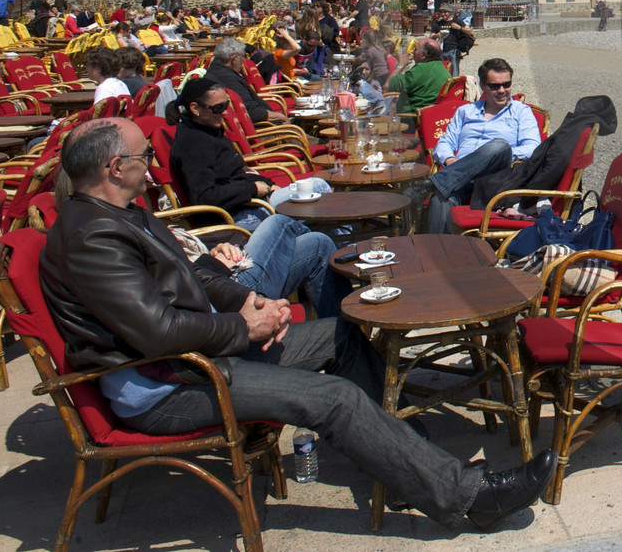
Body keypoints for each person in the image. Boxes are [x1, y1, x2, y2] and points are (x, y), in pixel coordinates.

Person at [42, 117, 555, 531]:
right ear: (115, 167)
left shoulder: (124, 213)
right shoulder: (92, 238)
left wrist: (251, 299)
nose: (152, 165)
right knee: (336, 398)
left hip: (195, 358)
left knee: (341, 335)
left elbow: (195, 274)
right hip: (167, 386)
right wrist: (247, 330)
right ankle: (465, 496)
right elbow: (156, 334)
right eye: (145, 157)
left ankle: (407, 462)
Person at [425, 58, 542, 233]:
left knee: (499, 146)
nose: (502, 90)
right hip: (461, 177)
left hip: (495, 179)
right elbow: (445, 141)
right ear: (482, 86)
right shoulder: (466, 111)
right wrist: (449, 159)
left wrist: (495, 155)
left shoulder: (521, 112)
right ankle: (437, 253)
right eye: (495, 86)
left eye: (506, 84)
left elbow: (533, 148)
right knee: (440, 198)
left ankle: (431, 184)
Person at [171, 212, 346, 318]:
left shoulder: (148, 223)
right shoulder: (145, 240)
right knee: (278, 222)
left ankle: (347, 338)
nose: (149, 159)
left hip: (216, 269)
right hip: (228, 290)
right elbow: (181, 281)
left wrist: (215, 251)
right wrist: (214, 264)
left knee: (318, 243)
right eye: (145, 155)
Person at [167, 78, 281, 231]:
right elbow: (205, 196)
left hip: (244, 204)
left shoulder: (208, 130)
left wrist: (266, 183)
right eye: (218, 108)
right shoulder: (193, 143)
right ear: (195, 108)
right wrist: (252, 189)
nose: (225, 112)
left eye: (226, 105)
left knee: (309, 199)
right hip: (227, 219)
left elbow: (232, 174)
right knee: (305, 206)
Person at [205, 38, 288, 126]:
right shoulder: (227, 78)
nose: (244, 60)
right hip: (260, 128)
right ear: (234, 59)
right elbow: (251, 112)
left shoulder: (217, 71)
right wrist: (279, 116)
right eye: (243, 56)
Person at [385, 39, 453, 113]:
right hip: (431, 114)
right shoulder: (442, 69)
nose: (413, 52)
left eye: (416, 49)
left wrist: (401, 65)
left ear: (424, 55)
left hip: (409, 118)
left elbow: (387, 86)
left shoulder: (420, 70)